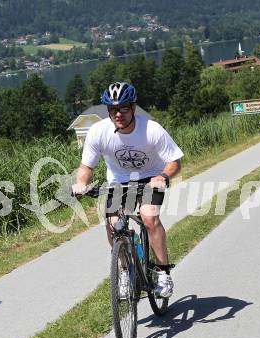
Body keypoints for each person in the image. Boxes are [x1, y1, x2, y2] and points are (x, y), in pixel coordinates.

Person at [72, 82, 183, 298]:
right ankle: (124, 270)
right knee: (113, 224)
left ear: (132, 107)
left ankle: (162, 272)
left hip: (151, 179)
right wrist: (81, 183)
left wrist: (163, 176)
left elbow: (175, 162)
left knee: (148, 216)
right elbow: (87, 167)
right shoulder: (98, 132)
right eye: (113, 109)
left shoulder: (151, 129)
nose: (118, 114)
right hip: (120, 182)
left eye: (123, 108)